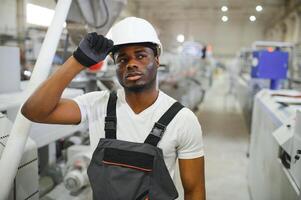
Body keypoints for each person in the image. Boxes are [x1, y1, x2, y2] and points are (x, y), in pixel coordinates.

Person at [21, 17, 205, 200]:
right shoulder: (96, 105)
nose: (131, 64)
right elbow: (33, 111)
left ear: (157, 59)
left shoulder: (182, 119)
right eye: (122, 59)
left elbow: (194, 191)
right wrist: (77, 61)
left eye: (141, 56)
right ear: (115, 65)